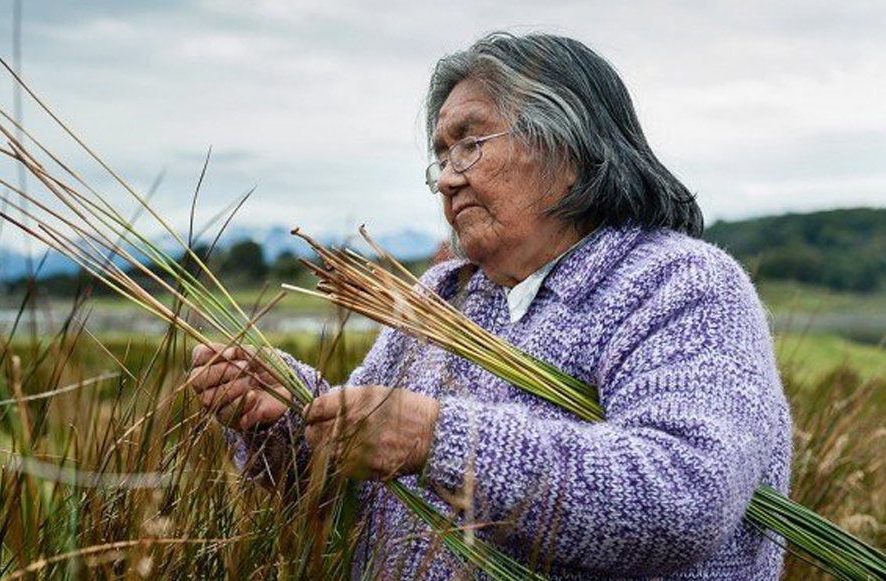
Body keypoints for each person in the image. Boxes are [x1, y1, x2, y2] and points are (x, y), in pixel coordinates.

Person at [189, 32, 792, 580]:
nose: (448, 179)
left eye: (471, 144)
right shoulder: (443, 299)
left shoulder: (679, 284)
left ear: (571, 145)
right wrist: (286, 418)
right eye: (442, 156)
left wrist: (436, 439)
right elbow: (358, 488)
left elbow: (685, 494)